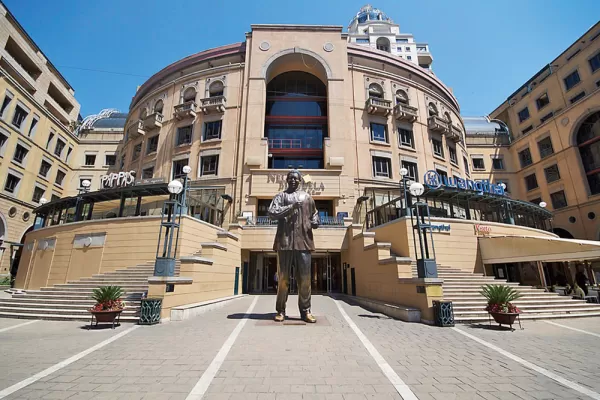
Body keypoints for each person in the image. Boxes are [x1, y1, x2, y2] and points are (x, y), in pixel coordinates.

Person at [268, 170, 319, 323]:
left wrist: (315, 221)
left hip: (303, 243)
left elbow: (314, 213)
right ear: (286, 180)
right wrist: (291, 207)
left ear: (300, 181)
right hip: (285, 243)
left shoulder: (307, 197)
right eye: (290, 178)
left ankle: (306, 311)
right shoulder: (280, 197)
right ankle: (280, 310)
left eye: (296, 179)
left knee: (305, 279)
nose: (293, 181)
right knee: (283, 279)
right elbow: (272, 212)